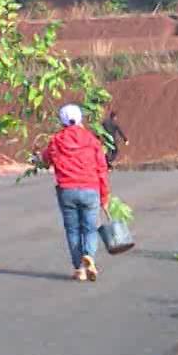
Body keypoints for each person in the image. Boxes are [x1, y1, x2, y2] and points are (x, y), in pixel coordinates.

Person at [39, 104, 112, 282]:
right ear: (80, 119)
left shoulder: (56, 140)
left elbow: (46, 159)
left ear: (62, 121)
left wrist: (38, 157)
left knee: (72, 230)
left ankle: (79, 269)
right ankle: (89, 257)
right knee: (90, 228)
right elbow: (101, 169)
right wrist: (104, 196)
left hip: (67, 190)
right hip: (90, 188)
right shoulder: (92, 140)